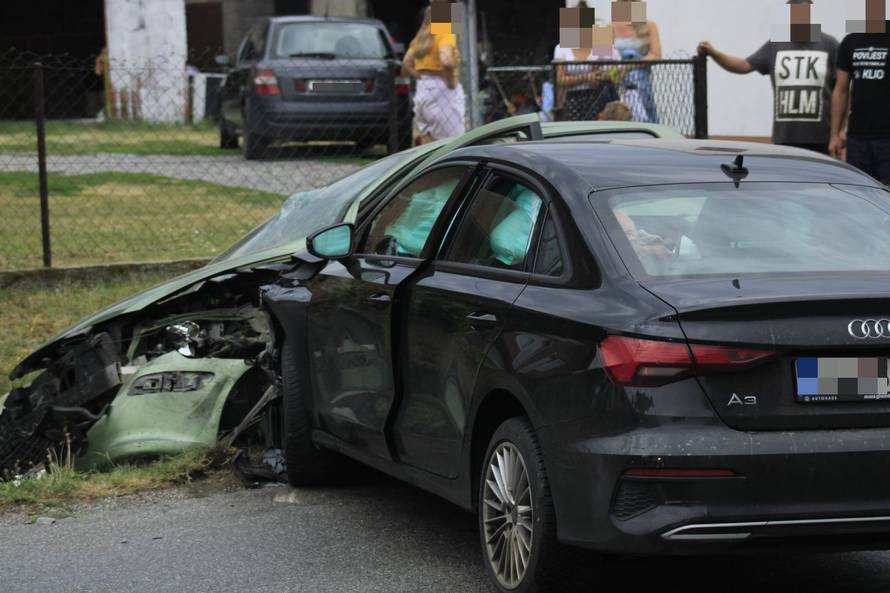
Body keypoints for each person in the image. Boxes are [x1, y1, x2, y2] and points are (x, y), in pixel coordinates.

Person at [698, 0, 839, 154]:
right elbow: (744, 65)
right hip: (785, 137)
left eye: (803, 9)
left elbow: (842, 91)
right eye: (795, 8)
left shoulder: (829, 45)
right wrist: (714, 53)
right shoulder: (777, 43)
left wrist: (836, 134)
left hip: (821, 138)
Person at [830, 0, 890, 184]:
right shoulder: (851, 41)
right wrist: (835, 134)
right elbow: (841, 90)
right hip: (857, 138)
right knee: (860, 192)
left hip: (887, 138)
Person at [403, 2, 466, 144]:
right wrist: (450, 82)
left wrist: (421, 76)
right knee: (454, 143)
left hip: (423, 91)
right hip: (443, 92)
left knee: (428, 144)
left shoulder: (420, 38)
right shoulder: (444, 32)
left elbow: (406, 63)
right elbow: (446, 61)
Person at [554, 5, 622, 120]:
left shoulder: (600, 43)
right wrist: (586, 77)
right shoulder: (561, 48)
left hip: (600, 96)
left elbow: (615, 70)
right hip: (572, 99)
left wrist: (603, 75)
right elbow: (560, 80)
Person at [612, 0, 662, 122]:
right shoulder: (608, 26)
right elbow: (601, 57)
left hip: (641, 83)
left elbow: (656, 55)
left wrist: (628, 67)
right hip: (615, 81)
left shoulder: (649, 25)